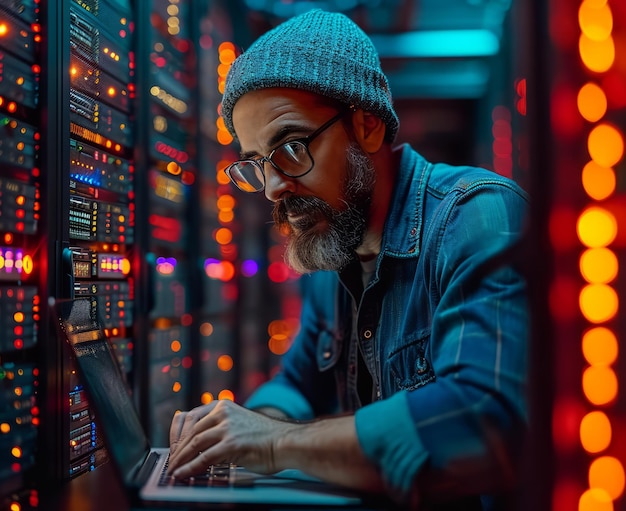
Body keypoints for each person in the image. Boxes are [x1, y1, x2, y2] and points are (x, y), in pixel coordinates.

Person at [167, 9, 529, 510]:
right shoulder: (334, 244)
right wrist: (236, 431)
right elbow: (298, 384)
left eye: (291, 148)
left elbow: (484, 420)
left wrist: (273, 444)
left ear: (368, 126)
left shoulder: (478, 217)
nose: (273, 187)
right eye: (256, 164)